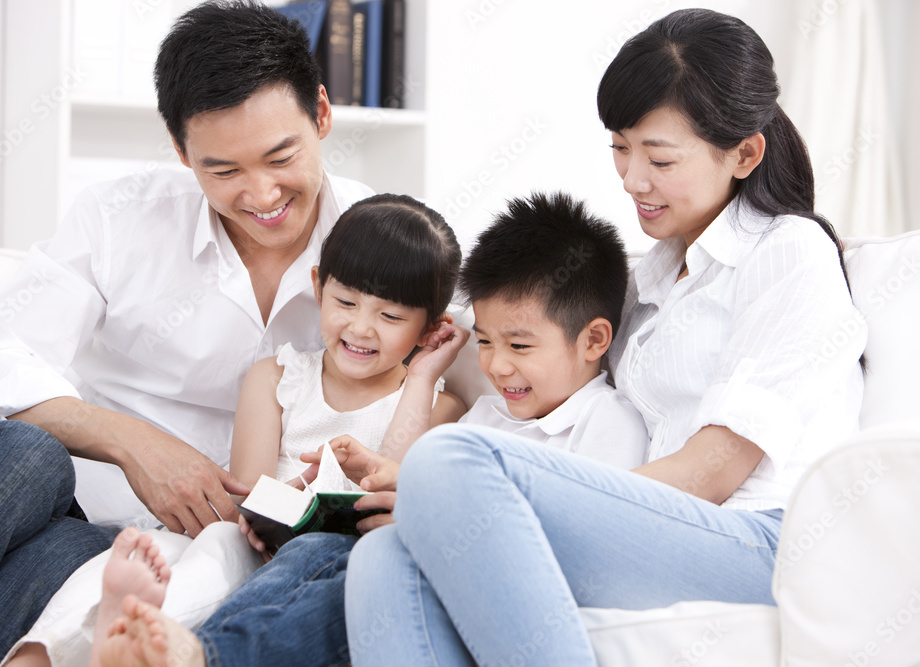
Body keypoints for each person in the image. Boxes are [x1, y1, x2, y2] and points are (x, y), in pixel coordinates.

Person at [343, 8, 868, 665]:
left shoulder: (787, 253)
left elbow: (712, 472)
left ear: (745, 152)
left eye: (659, 157)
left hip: (761, 541)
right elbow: (529, 327)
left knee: (452, 464)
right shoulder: (647, 277)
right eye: (620, 147)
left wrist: (516, 501)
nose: (631, 179)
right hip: (674, 527)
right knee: (384, 555)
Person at [0, 2, 373, 664]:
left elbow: (476, 362)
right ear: (180, 150)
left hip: (138, 553)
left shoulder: (382, 241)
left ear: (323, 115)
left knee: (69, 556)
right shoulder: (118, 216)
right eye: (224, 170)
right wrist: (139, 446)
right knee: (22, 451)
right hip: (68, 493)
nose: (262, 192)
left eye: (282, 155)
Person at [87, 190, 651, 667]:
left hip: (452, 574)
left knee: (348, 563)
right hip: (385, 552)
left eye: (519, 346)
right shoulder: (487, 417)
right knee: (315, 560)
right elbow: (403, 483)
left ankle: (201, 654)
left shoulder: (607, 423)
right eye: (483, 341)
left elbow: (588, 542)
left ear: (595, 341)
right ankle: (169, 644)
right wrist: (378, 470)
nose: (496, 366)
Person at [0, 193, 467, 667]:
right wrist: (297, 492)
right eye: (346, 302)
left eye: (390, 316)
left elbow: (391, 483)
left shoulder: (437, 407)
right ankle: (35, 658)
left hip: (331, 560)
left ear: (429, 331)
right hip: (252, 539)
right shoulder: (277, 377)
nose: (361, 328)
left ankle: (153, 650)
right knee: (169, 551)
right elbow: (247, 493)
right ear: (318, 288)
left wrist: (421, 378)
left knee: (286, 564)